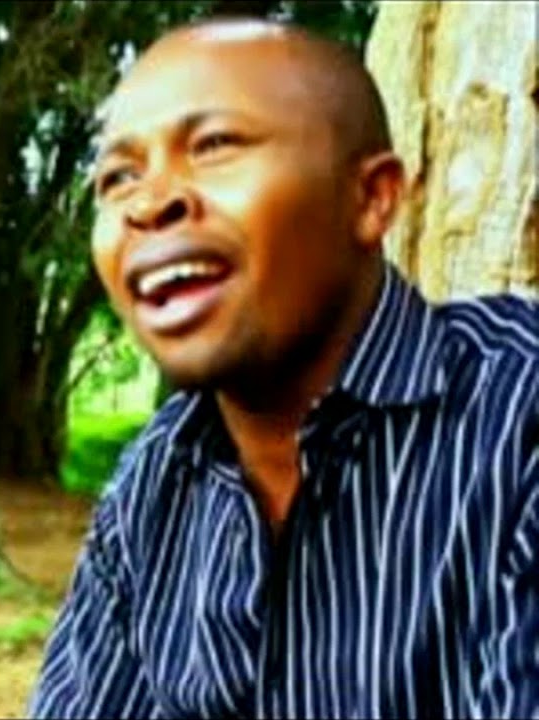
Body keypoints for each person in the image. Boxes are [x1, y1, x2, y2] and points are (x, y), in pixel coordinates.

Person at [28, 16, 538, 720]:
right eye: (118, 177)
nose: (148, 203)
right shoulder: (154, 483)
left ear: (373, 197)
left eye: (214, 145)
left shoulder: (518, 418)